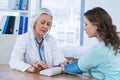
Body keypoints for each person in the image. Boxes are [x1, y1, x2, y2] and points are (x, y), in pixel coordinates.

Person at [61, 7, 120, 80]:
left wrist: (58, 68)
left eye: (86, 24)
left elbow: (75, 68)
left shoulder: (97, 50)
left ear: (96, 25)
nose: (84, 28)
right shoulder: (114, 45)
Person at [9, 8, 68, 73]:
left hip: (48, 76)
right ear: (34, 22)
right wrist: (30, 68)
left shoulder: (50, 39)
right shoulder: (23, 39)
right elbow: (14, 61)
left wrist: (63, 62)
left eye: (48, 24)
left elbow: (58, 56)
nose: (45, 26)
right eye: (42, 22)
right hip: (31, 77)